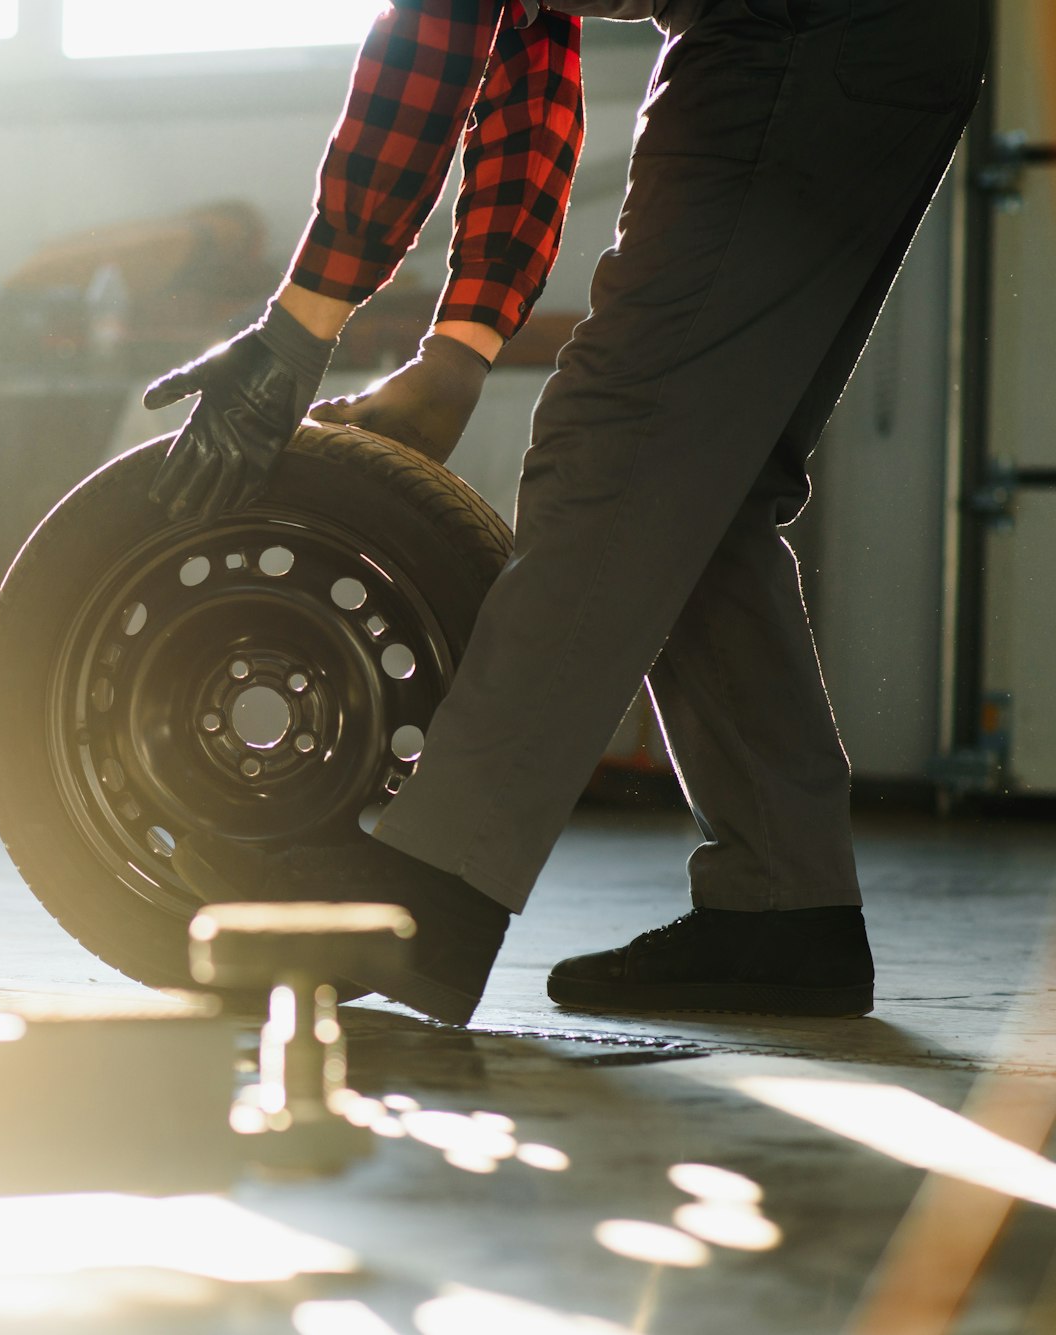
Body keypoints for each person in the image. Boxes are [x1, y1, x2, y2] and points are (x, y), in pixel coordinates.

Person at [143, 0, 989, 1026]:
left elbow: (436, 38)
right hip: (870, 35)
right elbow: (522, 59)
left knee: (618, 443)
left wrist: (301, 323)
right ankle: (783, 905)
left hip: (799, 32)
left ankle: (428, 892)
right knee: (701, 481)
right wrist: (457, 352)